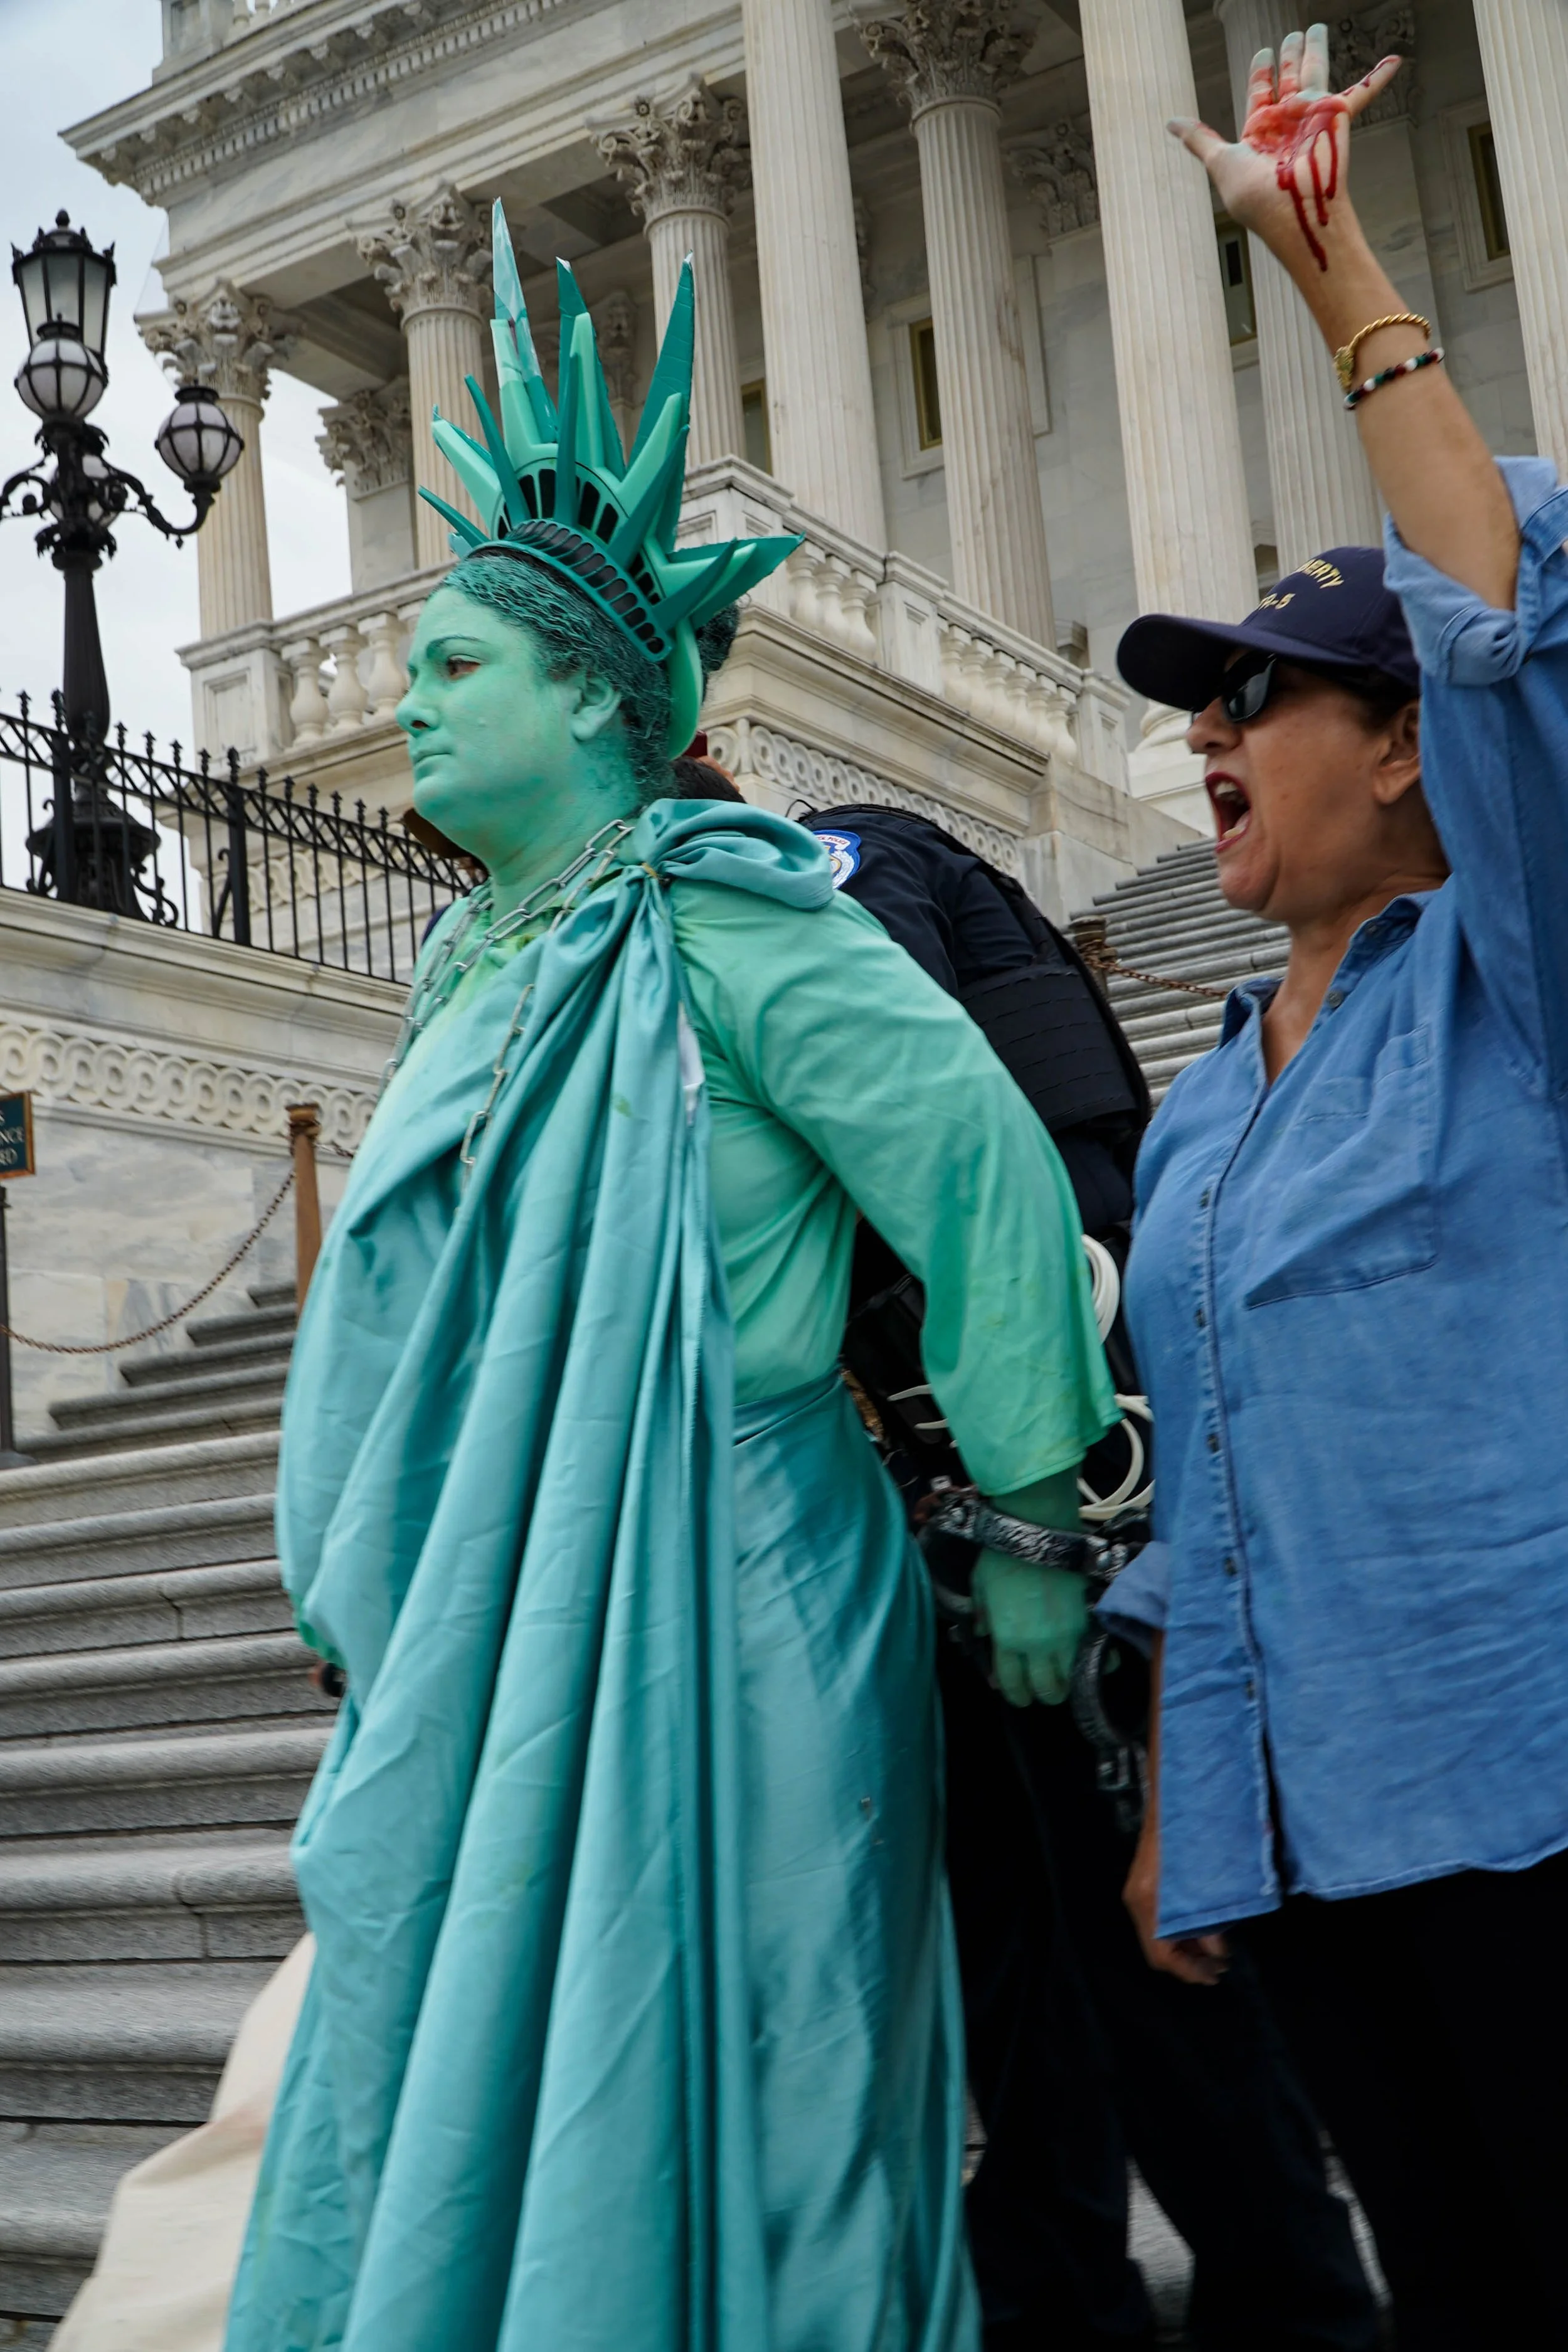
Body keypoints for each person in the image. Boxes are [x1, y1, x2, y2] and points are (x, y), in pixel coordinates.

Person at [222, 209, 1118, 2352]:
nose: (411, 696)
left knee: (759, 2067)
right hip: (482, 1609)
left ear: (599, 703)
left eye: (461, 668)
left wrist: (1029, 1523)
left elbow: (990, 1176)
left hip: (738, 1580)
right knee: (463, 2068)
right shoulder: (466, 964)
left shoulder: (742, 920)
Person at [1106, 28, 1568, 2350]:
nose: (1209, 724)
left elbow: (1510, 627)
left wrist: (1328, 264)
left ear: (1398, 743)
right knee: (1448, 2301)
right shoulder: (1196, 1113)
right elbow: (1205, 1482)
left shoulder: (1522, 979)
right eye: (1203, 696)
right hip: (1302, 1833)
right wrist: (1191, 1789)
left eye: (1262, 688)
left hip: (1527, 1797)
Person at [810, 804, 1376, 2352]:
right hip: (956, 1458)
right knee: (1007, 1920)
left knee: (1136, 1928)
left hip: (1056, 1449)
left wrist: (1027, 1510)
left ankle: (1290, 2297)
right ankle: (1064, 2283)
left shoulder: (829, 863)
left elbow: (923, 1149)